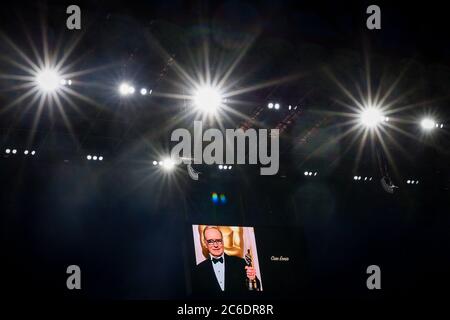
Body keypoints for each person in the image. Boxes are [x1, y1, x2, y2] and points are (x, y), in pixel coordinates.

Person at [192, 226, 260, 296]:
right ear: (205, 244)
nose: (216, 245)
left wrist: (253, 278)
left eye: (219, 240)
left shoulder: (240, 263)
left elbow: (256, 288)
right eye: (210, 241)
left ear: (223, 241)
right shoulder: (199, 270)